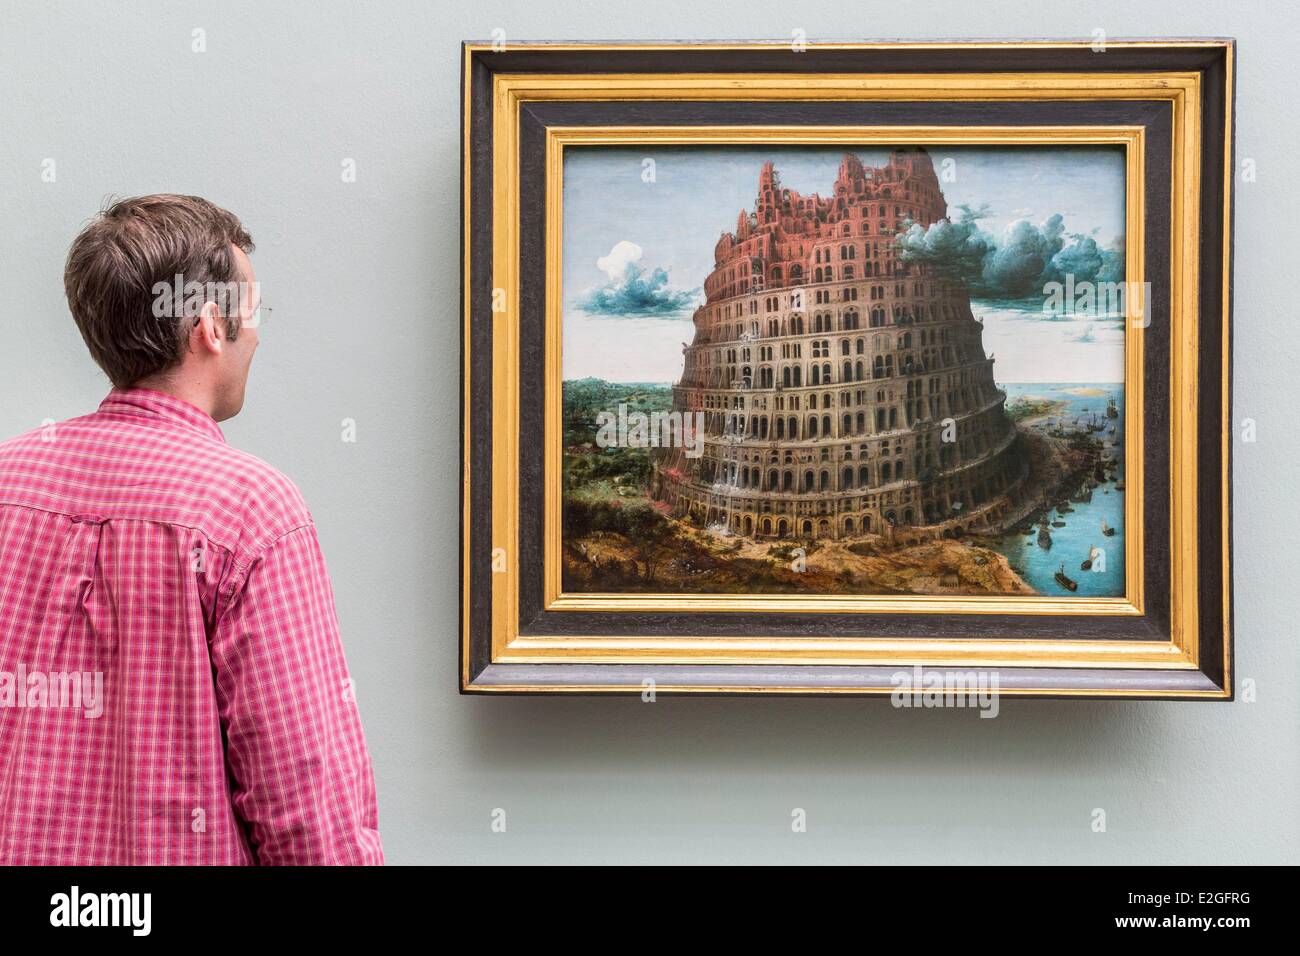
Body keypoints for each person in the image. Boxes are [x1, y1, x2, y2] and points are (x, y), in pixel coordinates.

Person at [0, 195, 382, 864]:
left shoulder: (8, 481)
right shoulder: (252, 510)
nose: (258, 333)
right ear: (210, 326)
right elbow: (303, 793)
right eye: (254, 312)